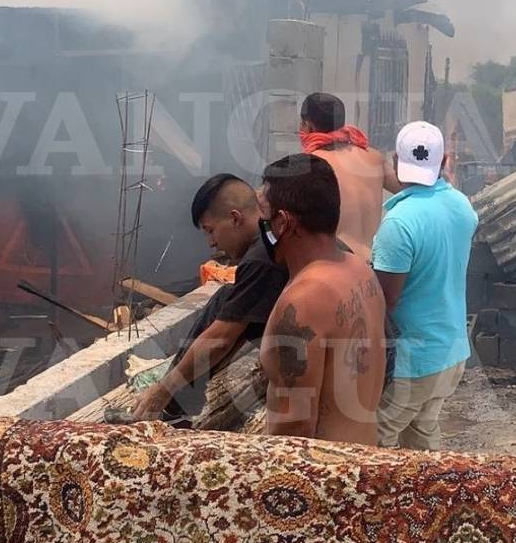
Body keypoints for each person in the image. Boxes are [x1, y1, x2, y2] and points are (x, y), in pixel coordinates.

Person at [131, 174, 287, 422]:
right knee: (227, 296)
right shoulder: (271, 234)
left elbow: (219, 340)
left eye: (210, 231)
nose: (211, 242)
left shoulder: (262, 258)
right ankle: (179, 403)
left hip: (305, 349)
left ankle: (175, 408)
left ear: (235, 218)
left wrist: (162, 390)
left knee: (225, 309)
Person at [259, 154, 386, 444]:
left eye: (265, 216)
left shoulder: (304, 302)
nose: (261, 224)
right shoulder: (359, 271)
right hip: (362, 454)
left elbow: (296, 426)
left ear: (283, 222)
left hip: (325, 467)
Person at [372, 122, 478, 450]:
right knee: (421, 436)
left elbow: (385, 300)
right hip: (450, 352)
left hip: (413, 361)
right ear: (444, 160)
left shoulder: (399, 223)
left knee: (373, 439)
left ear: (394, 161)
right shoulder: (462, 206)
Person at [298, 92, 401, 261]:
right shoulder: (373, 157)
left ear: (308, 126)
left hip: (339, 266)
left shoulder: (311, 165)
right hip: (375, 264)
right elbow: (410, 187)